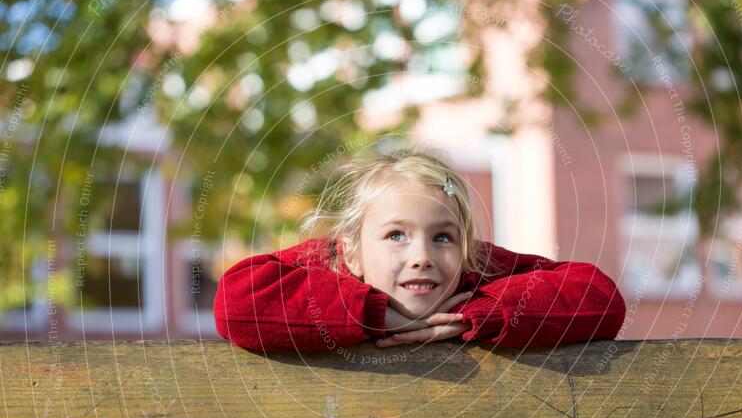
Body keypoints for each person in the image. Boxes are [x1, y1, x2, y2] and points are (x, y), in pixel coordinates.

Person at [214, 146, 626, 353]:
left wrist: (474, 315)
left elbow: (600, 297)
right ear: (353, 252)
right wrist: (371, 314)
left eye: (443, 237)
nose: (422, 255)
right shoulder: (332, 263)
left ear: (465, 248)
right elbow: (236, 299)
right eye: (396, 235)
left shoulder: (477, 270)